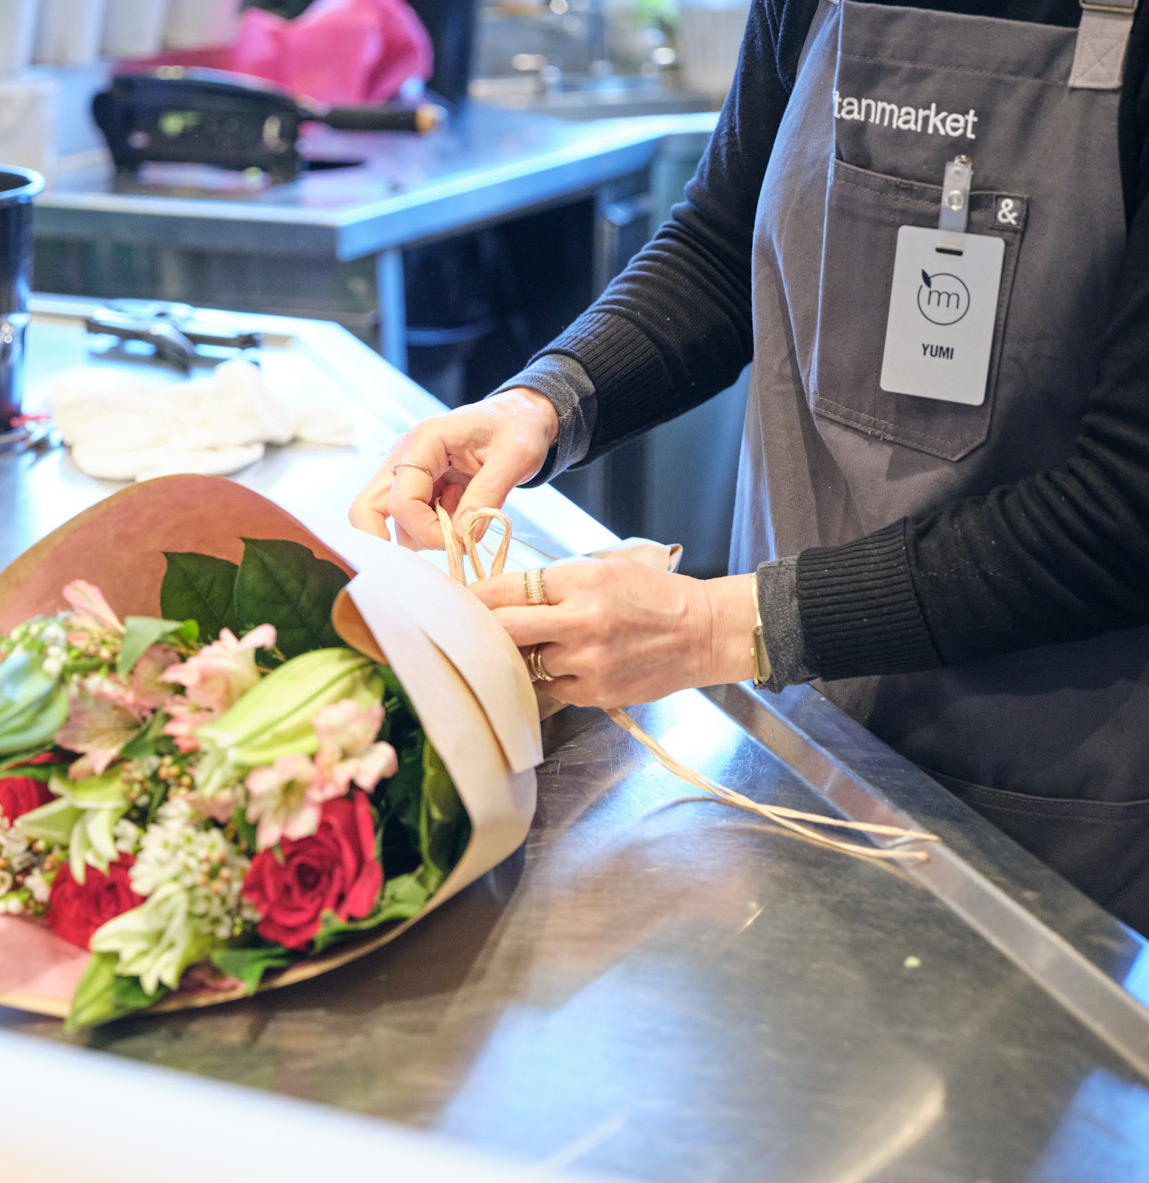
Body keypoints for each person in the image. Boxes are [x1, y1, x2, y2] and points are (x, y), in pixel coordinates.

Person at [350, 0, 1149, 932]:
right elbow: (723, 246)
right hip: (797, 725)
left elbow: (1128, 502)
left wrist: (718, 627)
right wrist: (543, 403)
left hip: (1043, 788)